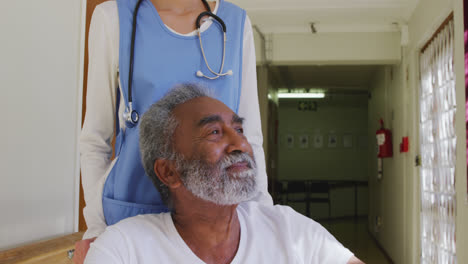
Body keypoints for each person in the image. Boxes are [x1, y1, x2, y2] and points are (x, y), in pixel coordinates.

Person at [77, 0, 271, 262]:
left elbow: (252, 138)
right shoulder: (113, 18)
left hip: (214, 221)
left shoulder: (235, 23)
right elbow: (95, 140)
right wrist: (96, 226)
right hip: (132, 212)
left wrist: (261, 217)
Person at [84, 84, 364, 264]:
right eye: (214, 132)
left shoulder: (290, 231)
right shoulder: (123, 250)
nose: (241, 144)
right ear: (169, 171)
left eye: (239, 130)